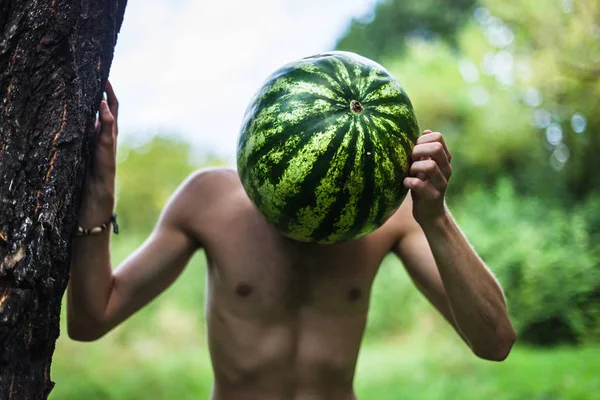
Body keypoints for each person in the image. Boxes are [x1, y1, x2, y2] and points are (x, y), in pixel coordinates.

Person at [68, 81, 515, 400]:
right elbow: (92, 319)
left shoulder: (390, 214)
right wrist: (100, 193)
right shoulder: (207, 201)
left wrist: (435, 218)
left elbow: (495, 343)